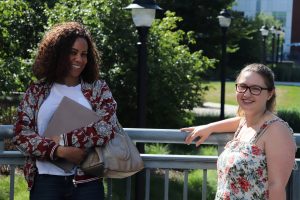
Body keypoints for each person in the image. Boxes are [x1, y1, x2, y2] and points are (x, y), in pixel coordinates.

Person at [13, 21, 118, 200]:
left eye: (84, 54)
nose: (80, 59)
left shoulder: (98, 89)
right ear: (58, 54)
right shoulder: (37, 91)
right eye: (73, 52)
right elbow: (21, 134)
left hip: (88, 183)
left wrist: (64, 138)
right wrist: (59, 150)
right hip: (46, 182)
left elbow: (107, 127)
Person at [182, 63, 297, 199]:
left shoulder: (277, 130)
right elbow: (239, 120)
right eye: (242, 86)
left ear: (270, 93)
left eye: (256, 89)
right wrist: (209, 127)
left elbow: (276, 187)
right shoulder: (245, 124)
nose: (246, 94)